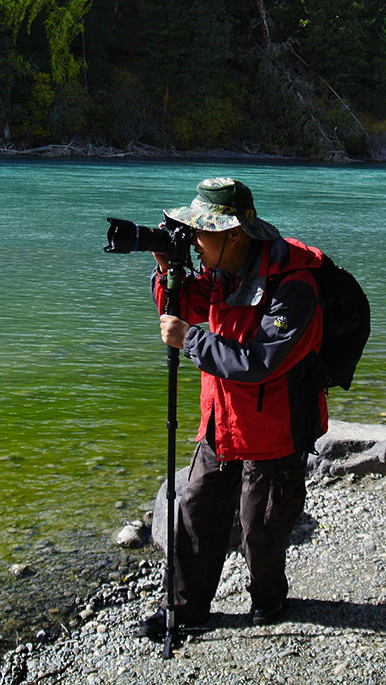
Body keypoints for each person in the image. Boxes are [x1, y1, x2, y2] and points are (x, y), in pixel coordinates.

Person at [137, 177, 327, 637]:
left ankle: (268, 597)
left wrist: (190, 341)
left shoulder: (293, 285)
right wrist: (169, 271)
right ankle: (186, 609)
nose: (195, 243)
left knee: (260, 525)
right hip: (220, 419)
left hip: (274, 428)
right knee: (196, 511)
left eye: (201, 234)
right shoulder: (222, 271)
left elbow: (259, 361)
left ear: (233, 235)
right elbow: (182, 307)